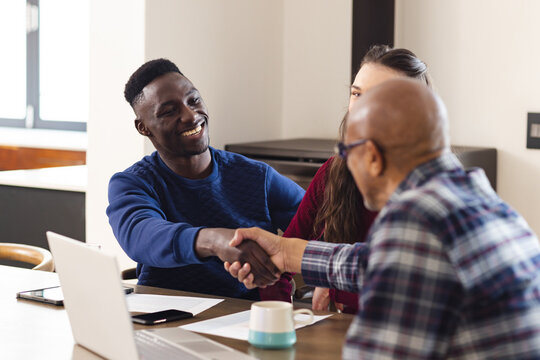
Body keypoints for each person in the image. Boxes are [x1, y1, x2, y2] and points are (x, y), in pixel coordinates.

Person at [226, 78, 540, 358]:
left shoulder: (418, 220)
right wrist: (285, 252)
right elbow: (372, 262)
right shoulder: (492, 207)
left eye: (347, 153)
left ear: (373, 157)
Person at [106, 58, 304, 300]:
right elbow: (140, 236)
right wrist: (216, 241)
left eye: (194, 100)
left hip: (244, 321)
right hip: (166, 319)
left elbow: (324, 223)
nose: (190, 116)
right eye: (169, 111)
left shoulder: (256, 176)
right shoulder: (133, 183)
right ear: (143, 127)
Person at [284, 44, 431, 313]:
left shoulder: (433, 190)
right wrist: (278, 322)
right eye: (356, 93)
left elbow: (392, 270)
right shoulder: (334, 172)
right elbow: (285, 251)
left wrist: (322, 272)